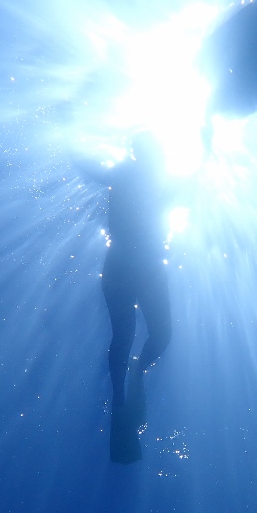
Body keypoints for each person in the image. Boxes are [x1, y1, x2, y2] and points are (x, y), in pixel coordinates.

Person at [79, 133, 174, 463]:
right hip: (124, 266)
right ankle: (121, 398)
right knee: (127, 335)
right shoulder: (125, 173)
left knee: (159, 336)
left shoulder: (160, 179)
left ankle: (136, 375)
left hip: (143, 267)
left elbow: (190, 183)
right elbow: (88, 165)